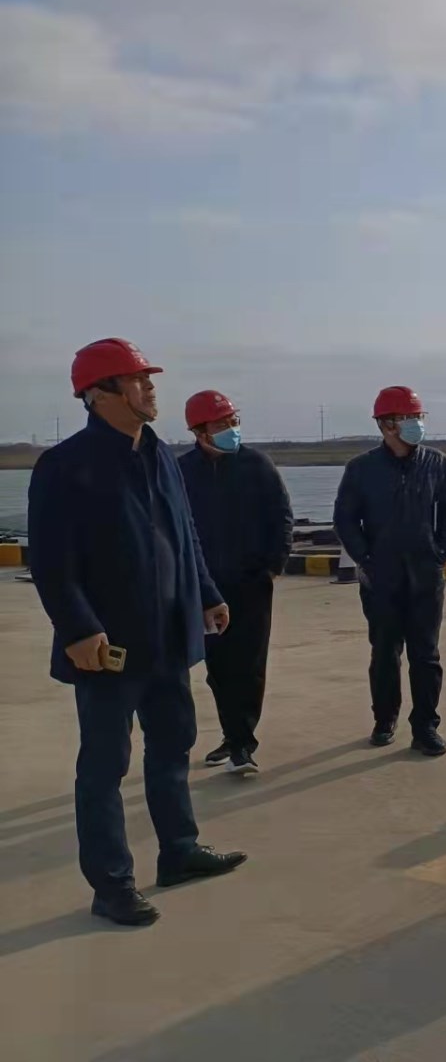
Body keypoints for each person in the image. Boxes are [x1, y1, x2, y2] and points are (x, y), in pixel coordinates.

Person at [27, 338, 247, 926]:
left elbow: (184, 533)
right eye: (137, 379)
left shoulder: (160, 456)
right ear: (100, 394)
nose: (150, 388)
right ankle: (112, 884)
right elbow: (50, 561)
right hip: (108, 646)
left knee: (173, 744)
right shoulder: (64, 465)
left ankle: (179, 851)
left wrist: (207, 593)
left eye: (149, 378)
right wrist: (78, 629)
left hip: (168, 635)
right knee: (105, 764)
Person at [333, 386, 446, 757]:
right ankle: (384, 719)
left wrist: (444, 550)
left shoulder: (438, 463)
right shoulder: (361, 469)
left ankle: (426, 727)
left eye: (419, 417)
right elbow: (345, 519)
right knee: (385, 652)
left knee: (426, 655)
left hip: (426, 574)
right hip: (381, 577)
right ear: (387, 425)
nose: (416, 424)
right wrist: (365, 559)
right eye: (409, 418)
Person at [178, 390, 294, 776]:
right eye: (222, 424)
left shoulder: (257, 465)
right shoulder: (182, 472)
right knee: (218, 667)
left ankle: (243, 743)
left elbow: (281, 515)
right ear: (199, 432)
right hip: (206, 588)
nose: (231, 429)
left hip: (251, 584)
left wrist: (272, 565)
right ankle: (233, 736)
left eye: (233, 421)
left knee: (250, 663)